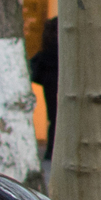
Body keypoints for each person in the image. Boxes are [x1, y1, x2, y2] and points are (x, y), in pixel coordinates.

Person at [29, 18, 60, 151]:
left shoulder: (47, 42)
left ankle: (50, 149)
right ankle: (53, 148)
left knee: (53, 117)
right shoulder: (58, 45)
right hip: (56, 80)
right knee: (57, 118)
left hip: (49, 82)